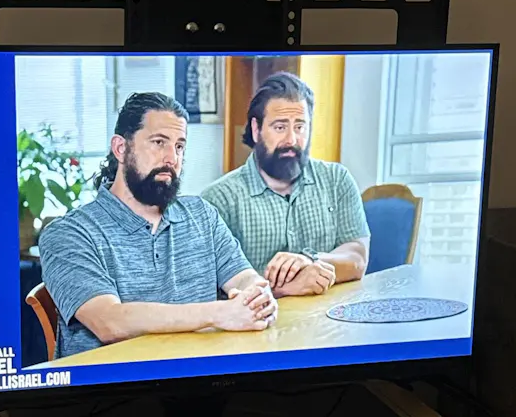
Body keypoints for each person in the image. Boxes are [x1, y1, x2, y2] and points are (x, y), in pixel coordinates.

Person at [38, 92, 276, 357]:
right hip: (117, 381)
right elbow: (109, 321)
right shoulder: (68, 234)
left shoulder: (202, 215)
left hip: (201, 374)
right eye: (159, 142)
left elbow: (242, 277)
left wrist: (256, 294)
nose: (172, 158)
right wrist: (219, 313)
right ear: (120, 148)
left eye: (179, 146)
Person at [201, 71, 370, 297]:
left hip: (330, 315)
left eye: (300, 127)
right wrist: (283, 289)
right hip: (259, 319)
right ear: (256, 129)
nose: (291, 140)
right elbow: (207, 289)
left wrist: (310, 260)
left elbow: (357, 257)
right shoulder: (218, 201)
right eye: (280, 127)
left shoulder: (336, 180)